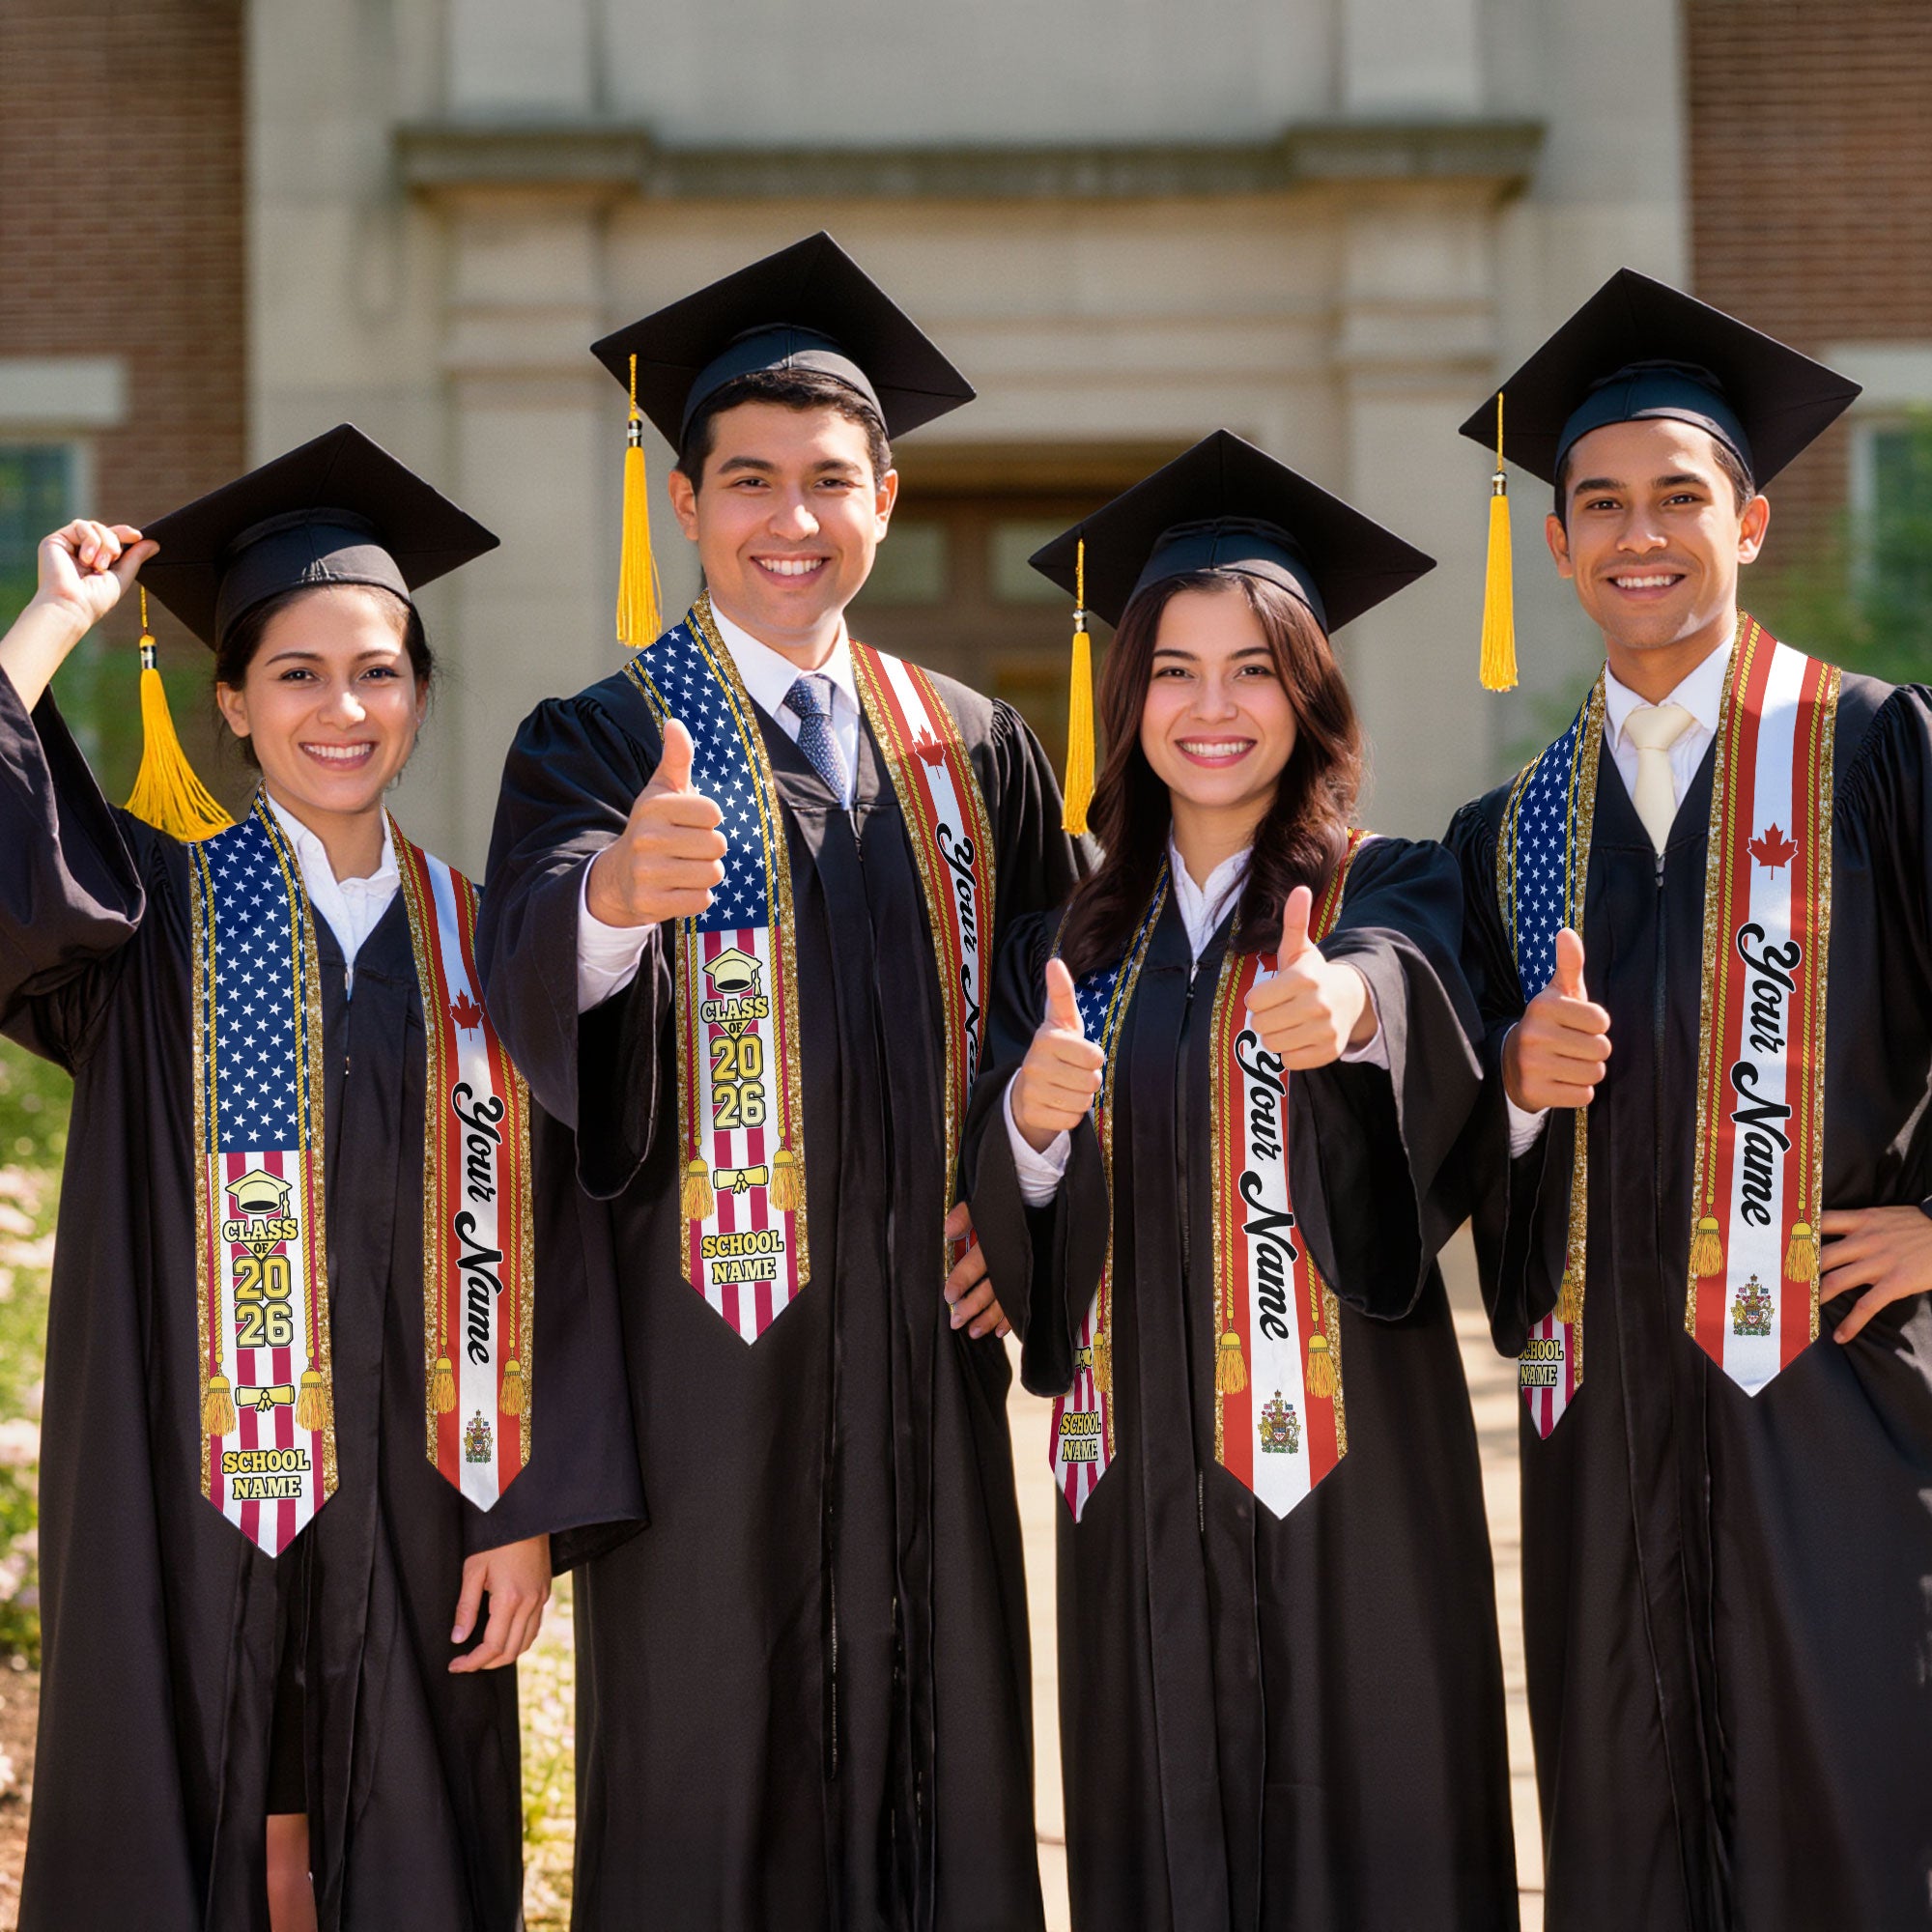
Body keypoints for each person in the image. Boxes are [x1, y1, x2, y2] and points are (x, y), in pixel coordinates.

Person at [476, 233, 1084, 1931]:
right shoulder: (597, 739)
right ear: (686, 503)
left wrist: (1020, 1195)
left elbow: (1073, 1006)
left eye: (830, 481)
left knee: (943, 1764)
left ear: (886, 497)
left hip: (925, 1362)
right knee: (709, 1780)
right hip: (705, 1374)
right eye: (749, 481)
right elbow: (530, 982)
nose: (790, 519)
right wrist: (609, 901)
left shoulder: (976, 745)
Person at [0, 425, 641, 1932]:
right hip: (184, 1479)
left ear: (419, 694)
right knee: (192, 1803)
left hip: (428, 1496)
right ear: (230, 702)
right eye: (295, 673)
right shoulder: (143, 916)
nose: (341, 708)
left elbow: (566, 1238)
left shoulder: (496, 943)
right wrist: (51, 624)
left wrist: (526, 1507)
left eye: (378, 671)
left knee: (407, 1831)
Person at [964, 431, 1517, 1930]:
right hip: (1135, 1474)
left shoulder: (1387, 884)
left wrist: (1349, 1012)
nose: (1214, 709)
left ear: (1311, 692)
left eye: (1256, 668)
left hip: (1356, 1477)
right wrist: (1027, 1118)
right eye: (1175, 670)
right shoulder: (1063, 945)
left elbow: (1414, 988)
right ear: (1127, 696)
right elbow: (1011, 1205)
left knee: (1377, 1826)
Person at [1446, 270, 1932, 1931]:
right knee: (1624, 1822)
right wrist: (1511, 1090)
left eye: (1678, 497)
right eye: (1599, 504)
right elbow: (1449, 1141)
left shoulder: (1875, 752)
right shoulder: (1508, 832)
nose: (1637, 533)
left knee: (1854, 1807)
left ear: (1753, 519)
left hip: (1837, 1403)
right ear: (1562, 543)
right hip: (1604, 1426)